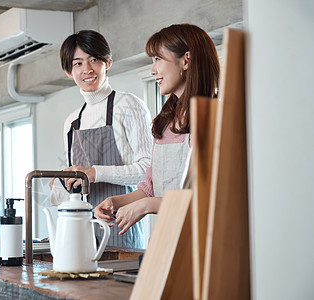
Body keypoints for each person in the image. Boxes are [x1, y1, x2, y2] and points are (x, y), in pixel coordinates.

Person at [94, 24, 220, 235]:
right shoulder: (166, 123)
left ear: (186, 60)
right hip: (170, 236)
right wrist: (115, 202)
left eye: (158, 59)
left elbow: (206, 197)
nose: (153, 70)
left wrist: (147, 206)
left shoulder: (213, 118)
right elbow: (150, 188)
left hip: (205, 239)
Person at [50, 30, 153, 249]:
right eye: (77, 63)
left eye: (94, 60)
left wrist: (94, 173)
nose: (86, 69)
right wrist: (61, 182)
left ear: (108, 63)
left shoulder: (128, 105)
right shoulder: (71, 122)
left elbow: (149, 170)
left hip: (119, 226)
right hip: (81, 231)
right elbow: (76, 183)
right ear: (69, 71)